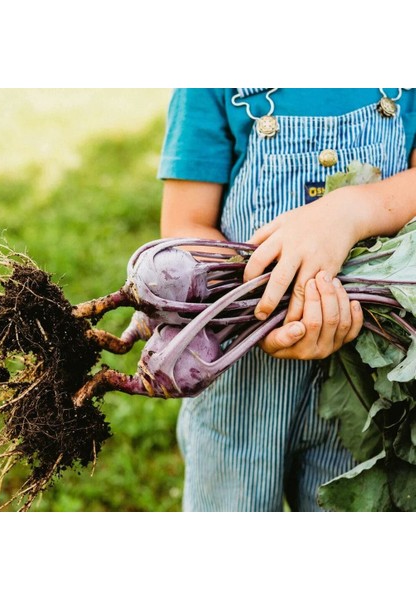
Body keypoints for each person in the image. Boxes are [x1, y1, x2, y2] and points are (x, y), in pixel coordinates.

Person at [158, 88, 416, 512]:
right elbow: (185, 225)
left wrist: (350, 211)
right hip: (237, 371)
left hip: (373, 385)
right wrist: (259, 308)